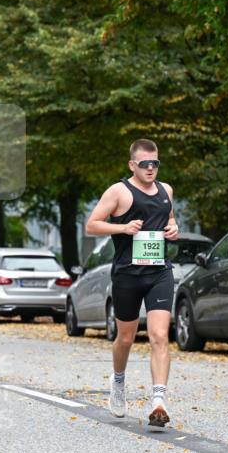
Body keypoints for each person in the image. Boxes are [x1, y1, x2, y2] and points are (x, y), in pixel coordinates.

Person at [85, 139, 179, 430]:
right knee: (125, 338)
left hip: (159, 273)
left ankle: (159, 401)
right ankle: (118, 382)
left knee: (159, 336)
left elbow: (171, 220)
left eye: (155, 163)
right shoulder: (118, 191)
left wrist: (174, 230)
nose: (150, 168)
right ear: (132, 165)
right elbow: (92, 225)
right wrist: (123, 228)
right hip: (127, 274)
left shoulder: (167, 191)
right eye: (144, 164)